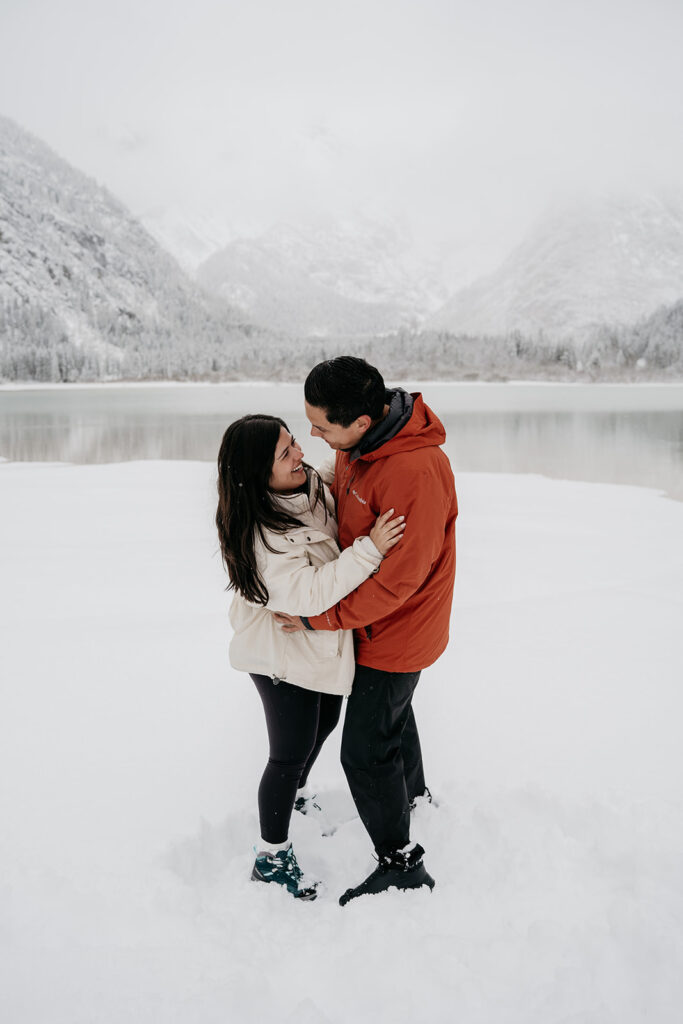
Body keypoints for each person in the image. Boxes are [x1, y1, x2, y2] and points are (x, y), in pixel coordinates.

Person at [275, 357, 457, 905]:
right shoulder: (361, 442)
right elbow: (345, 485)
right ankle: (415, 796)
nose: (313, 436)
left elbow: (397, 584)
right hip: (376, 624)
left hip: (397, 630)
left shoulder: (414, 472)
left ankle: (399, 862)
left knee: (363, 750)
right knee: (392, 717)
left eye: (322, 427)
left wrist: (315, 618)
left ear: (359, 422)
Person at [215, 413, 405, 901]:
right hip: (280, 655)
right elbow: (312, 593)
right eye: (285, 453)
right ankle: (271, 857)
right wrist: (370, 551)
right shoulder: (261, 535)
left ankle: (296, 800)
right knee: (288, 753)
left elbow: (336, 472)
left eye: (293, 441)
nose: (298, 454)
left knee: (325, 722)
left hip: (315, 647)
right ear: (259, 475)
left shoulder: (306, 484)